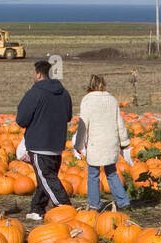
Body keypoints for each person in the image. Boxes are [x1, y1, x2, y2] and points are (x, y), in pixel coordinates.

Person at [15, 59, 72, 221]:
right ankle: (37, 209)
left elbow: (22, 119)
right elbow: (68, 116)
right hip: (57, 143)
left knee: (47, 178)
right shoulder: (64, 93)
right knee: (45, 177)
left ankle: (65, 208)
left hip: (40, 144)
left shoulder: (35, 93)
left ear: (38, 74)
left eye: (33, 73)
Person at [77, 74, 133, 211]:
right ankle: (124, 202)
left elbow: (83, 124)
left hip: (96, 143)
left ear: (90, 85)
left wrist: (79, 144)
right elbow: (119, 122)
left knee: (93, 174)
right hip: (111, 142)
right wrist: (124, 141)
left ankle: (94, 204)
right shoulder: (112, 100)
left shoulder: (87, 101)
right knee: (111, 172)